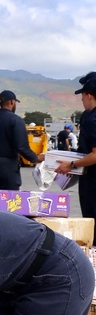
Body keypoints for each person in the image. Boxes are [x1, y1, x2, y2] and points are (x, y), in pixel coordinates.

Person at [0, 90, 38, 190]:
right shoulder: (16, 120)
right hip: (8, 166)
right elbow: (22, 147)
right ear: (12, 102)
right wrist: (35, 158)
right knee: (10, 200)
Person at [57, 72, 96, 220]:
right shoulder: (88, 116)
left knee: (91, 220)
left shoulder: (92, 119)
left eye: (83, 95)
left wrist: (72, 165)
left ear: (89, 95)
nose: (81, 99)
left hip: (92, 179)